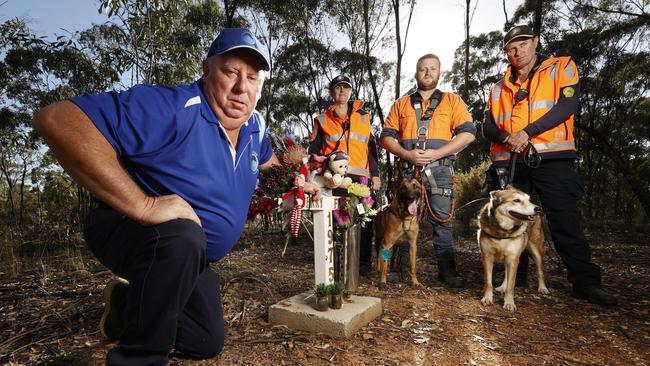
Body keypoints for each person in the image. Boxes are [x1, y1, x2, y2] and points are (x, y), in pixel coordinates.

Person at [32, 28, 320, 365]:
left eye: (253, 78)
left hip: (188, 258)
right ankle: (138, 358)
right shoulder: (174, 108)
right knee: (183, 236)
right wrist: (145, 204)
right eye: (231, 72)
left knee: (204, 341)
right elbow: (56, 119)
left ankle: (127, 304)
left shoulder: (254, 126)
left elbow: (269, 165)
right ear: (207, 69)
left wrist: (303, 179)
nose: (243, 87)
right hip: (132, 229)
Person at [482, 25, 616, 305]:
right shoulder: (497, 88)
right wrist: (509, 137)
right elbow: (487, 126)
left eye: (522, 44)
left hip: (552, 158)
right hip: (512, 160)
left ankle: (585, 281)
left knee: (564, 219)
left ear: (535, 42)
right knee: (511, 220)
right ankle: (514, 277)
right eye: (510, 48)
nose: (517, 51)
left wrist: (527, 133)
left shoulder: (561, 67)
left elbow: (566, 106)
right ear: (506, 52)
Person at [380, 54, 476, 287]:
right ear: (416, 74)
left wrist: (437, 153)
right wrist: (407, 155)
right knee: (399, 222)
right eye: (423, 69)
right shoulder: (401, 104)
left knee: (442, 222)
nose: (427, 72)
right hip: (407, 172)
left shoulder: (453, 101)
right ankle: (397, 271)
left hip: (439, 170)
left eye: (432, 68)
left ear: (439, 73)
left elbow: (468, 134)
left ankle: (447, 272)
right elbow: (385, 137)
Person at [308, 74, 381, 275]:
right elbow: (313, 150)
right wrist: (317, 174)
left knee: (363, 219)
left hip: (362, 178)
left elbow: (372, 148)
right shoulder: (321, 120)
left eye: (346, 87)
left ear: (350, 91)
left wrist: (375, 174)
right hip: (335, 180)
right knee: (339, 219)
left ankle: (363, 264)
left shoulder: (364, 117)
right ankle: (339, 261)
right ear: (332, 92)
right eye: (338, 87)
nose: (342, 91)